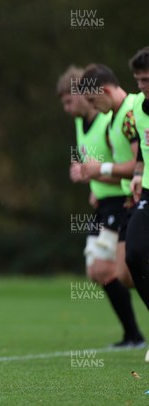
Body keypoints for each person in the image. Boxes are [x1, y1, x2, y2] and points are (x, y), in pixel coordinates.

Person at [65, 63, 145, 347]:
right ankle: (134, 335)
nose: (93, 106)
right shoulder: (116, 118)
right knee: (124, 273)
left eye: (92, 100)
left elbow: (140, 160)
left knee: (118, 267)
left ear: (105, 91)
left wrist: (102, 171)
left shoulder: (131, 112)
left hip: (132, 201)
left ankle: (134, 335)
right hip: (126, 199)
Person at [124, 47, 149, 360]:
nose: (141, 86)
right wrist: (138, 174)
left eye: (146, 80)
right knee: (134, 254)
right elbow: (143, 149)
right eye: (138, 80)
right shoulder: (139, 110)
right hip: (148, 190)